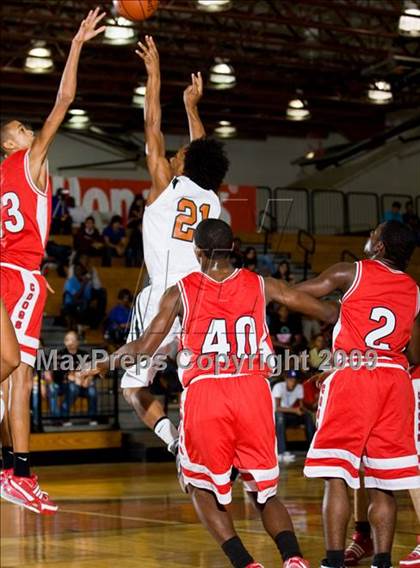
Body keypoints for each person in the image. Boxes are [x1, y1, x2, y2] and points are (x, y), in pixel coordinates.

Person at [81, 218, 338, 568]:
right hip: (253, 391)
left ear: (197, 251)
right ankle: (293, 558)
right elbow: (326, 311)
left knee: (198, 485)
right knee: (265, 493)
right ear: (232, 248)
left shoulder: (180, 291)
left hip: (207, 392)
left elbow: (143, 348)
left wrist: (99, 365)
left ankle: (245, 562)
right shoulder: (261, 284)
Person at [0, 7, 105, 514]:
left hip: (6, 275)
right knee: (19, 374)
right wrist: (78, 43)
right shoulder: (27, 160)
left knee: (11, 373)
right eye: (22, 128)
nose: (29, 131)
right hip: (18, 278)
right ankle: (18, 471)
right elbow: (64, 100)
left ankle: (12, 467)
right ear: (12, 144)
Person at [121, 36, 228, 456]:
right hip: (198, 301)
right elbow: (201, 149)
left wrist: (154, 73)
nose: (176, 153)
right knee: (198, 382)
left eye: (179, 153)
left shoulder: (165, 185)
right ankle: (207, 444)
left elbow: (151, 123)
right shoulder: (212, 198)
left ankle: (175, 442)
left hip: (160, 299)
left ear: (182, 163)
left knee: (133, 388)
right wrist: (192, 106)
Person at [295, 220, 420, 568]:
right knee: (386, 480)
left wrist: (333, 313)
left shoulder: (351, 272)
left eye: (372, 235)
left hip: (355, 375)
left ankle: (333, 560)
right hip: (396, 380)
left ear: (379, 247)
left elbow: (297, 293)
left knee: (336, 472)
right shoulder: (413, 288)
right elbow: (413, 353)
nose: (368, 238)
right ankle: (382, 560)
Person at [273, 370, 315, 463]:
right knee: (280, 417)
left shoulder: (299, 387)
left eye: (295, 380)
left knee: (307, 416)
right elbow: (277, 408)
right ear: (285, 379)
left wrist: (303, 410)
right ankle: (281, 452)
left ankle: (312, 449)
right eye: (290, 379)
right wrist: (295, 410)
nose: (293, 382)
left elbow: (300, 406)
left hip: (289, 415)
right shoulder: (278, 387)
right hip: (276, 416)